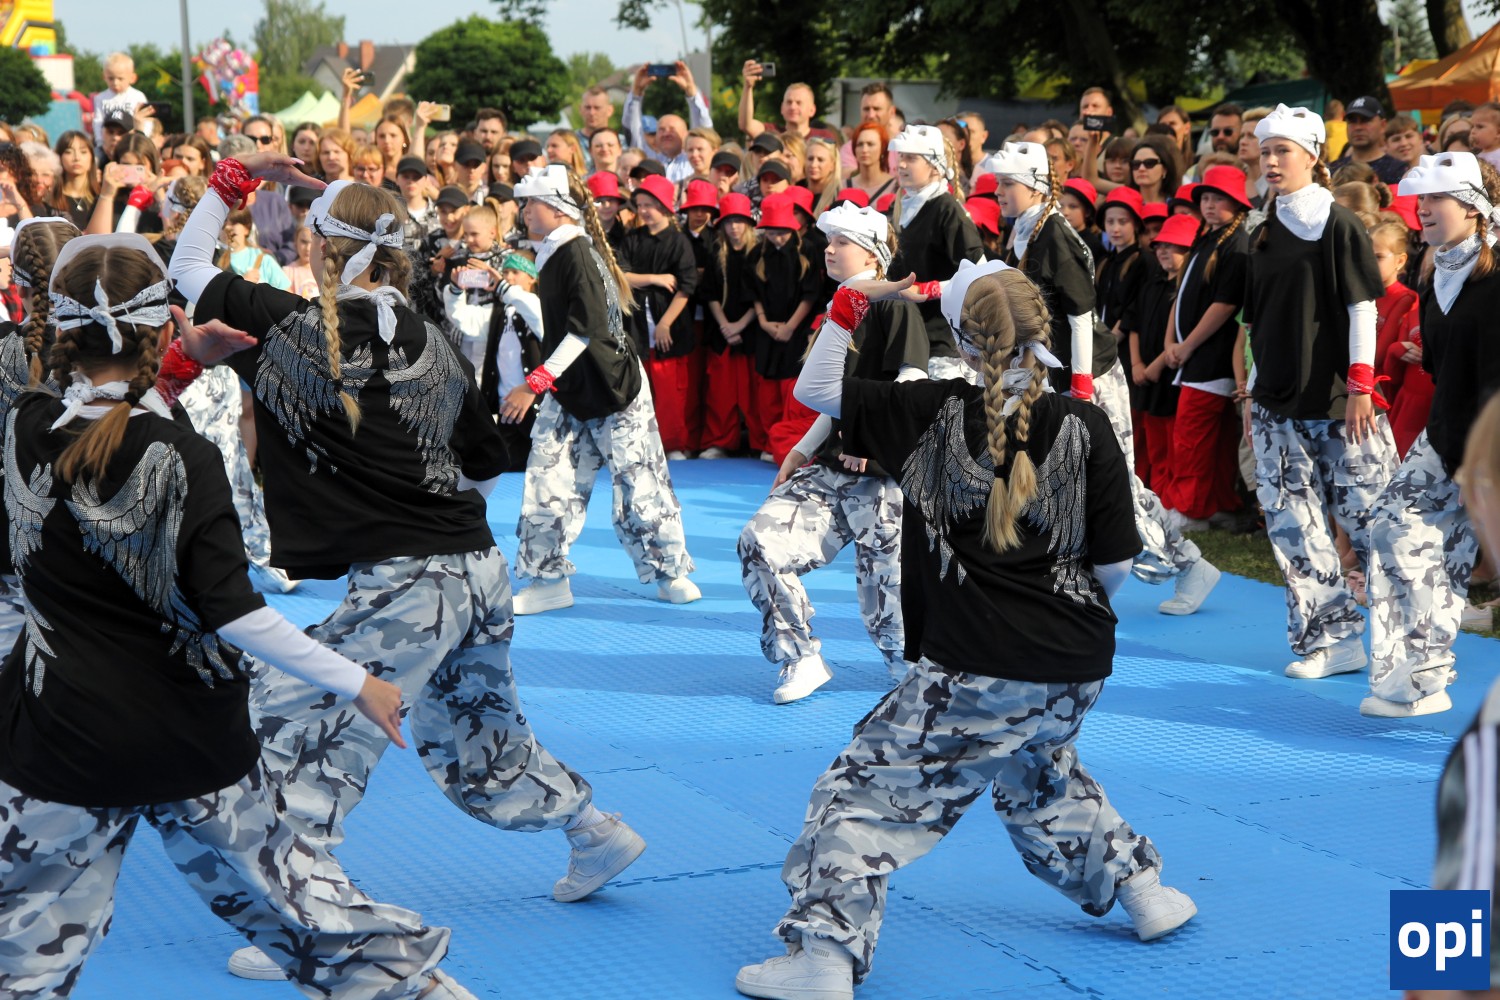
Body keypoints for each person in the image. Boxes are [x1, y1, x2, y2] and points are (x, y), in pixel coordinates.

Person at [169, 159, 648, 981]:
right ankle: (594, 831)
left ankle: (308, 917)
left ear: (323, 248)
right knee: (479, 737)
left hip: (412, 582)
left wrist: (234, 179)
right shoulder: (434, 340)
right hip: (475, 564)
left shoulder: (290, 327)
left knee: (295, 726)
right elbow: (482, 462)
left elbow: (186, 267)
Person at [0, 228, 486, 999]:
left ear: (58, 328)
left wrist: (176, 367)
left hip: (61, 733)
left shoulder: (24, 428)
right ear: (162, 324)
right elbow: (233, 612)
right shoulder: (180, 455)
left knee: (22, 953)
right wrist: (359, 681)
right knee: (304, 907)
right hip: (186, 730)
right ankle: (413, 989)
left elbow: (90, 437)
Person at [733, 263, 1196, 1000]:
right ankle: (1143, 890)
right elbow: (1115, 564)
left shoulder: (932, 410)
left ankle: (824, 955)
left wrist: (850, 304)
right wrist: (1057, 618)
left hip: (979, 665)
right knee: (1037, 769)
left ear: (961, 340)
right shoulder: (1086, 422)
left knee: (858, 797)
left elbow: (816, 390)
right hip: (1077, 662)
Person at [986, 140, 1221, 615]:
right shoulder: (1024, 230)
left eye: (1007, 184)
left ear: (1034, 186)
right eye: (997, 184)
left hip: (1090, 374)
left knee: (1118, 482)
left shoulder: (1055, 235)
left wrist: (1081, 388)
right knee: (1061, 479)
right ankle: (1059, 572)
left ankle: (1189, 564)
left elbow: (1080, 316)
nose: (998, 192)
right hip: (1055, 373)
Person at [739, 203, 926, 705]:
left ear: (872, 254)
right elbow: (838, 398)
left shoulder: (894, 305)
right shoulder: (842, 306)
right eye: (829, 240)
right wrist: (801, 449)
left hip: (885, 476)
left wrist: (869, 439)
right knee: (759, 543)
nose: (829, 249)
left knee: (887, 597)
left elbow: (911, 384)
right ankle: (800, 656)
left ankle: (914, 672)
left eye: (843, 241)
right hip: (832, 467)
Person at [1244, 105, 1397, 680]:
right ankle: (1332, 640)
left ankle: (1411, 642)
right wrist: (1255, 389)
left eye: (1282, 151)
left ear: (1312, 156)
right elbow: (1258, 320)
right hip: (1275, 402)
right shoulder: (1261, 227)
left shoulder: (1340, 224)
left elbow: (1363, 307)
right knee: (1294, 527)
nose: (1271, 161)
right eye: (1265, 151)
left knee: (1375, 523)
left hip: (1340, 402)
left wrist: (1360, 387)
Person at [506, 164, 701, 613]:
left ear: (558, 209)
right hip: (570, 389)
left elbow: (584, 333)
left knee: (640, 485)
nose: (525, 211)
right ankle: (547, 580)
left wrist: (534, 383)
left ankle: (670, 571)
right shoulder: (554, 251)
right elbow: (562, 329)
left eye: (532, 203)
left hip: (616, 390)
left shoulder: (575, 252)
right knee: (547, 482)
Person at [1363, 152, 1500, 717]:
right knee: (1390, 527)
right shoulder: (1435, 269)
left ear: (1473, 207)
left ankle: (1426, 670)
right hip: (1446, 433)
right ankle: (1424, 670)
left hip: (1487, 446)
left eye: (1436, 198)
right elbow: (1447, 366)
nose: (1422, 209)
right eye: (1420, 199)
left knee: (1419, 538)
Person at [1160, 165, 1251, 529]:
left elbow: (1225, 305)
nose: (1210, 205)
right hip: (1193, 355)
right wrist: (1171, 342)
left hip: (1211, 358)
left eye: (1219, 199)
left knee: (1193, 435)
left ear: (1238, 203)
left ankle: (1191, 508)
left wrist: (1188, 345)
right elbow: (1182, 293)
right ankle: (1215, 503)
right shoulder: (1207, 237)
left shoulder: (1237, 245)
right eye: (1206, 198)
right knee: (1210, 437)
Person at [886, 124, 983, 381]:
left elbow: (980, 274)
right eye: (901, 156)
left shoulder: (947, 209)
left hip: (942, 342)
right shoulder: (903, 206)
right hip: (909, 334)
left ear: (935, 166)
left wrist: (927, 289)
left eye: (911, 158)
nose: (902, 164)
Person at [619, 173, 700, 458]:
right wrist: (654, 278)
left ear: (664, 206)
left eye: (649, 205)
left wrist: (666, 323)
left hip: (670, 328)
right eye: (640, 205)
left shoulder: (679, 242)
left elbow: (687, 286)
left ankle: (674, 444)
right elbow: (620, 276)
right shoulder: (632, 239)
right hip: (637, 327)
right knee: (638, 390)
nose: (643, 210)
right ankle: (639, 444)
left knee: (670, 392)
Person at [1128, 213, 1195, 494]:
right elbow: (1134, 325)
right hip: (1145, 376)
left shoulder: (1188, 289)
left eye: (1172, 246)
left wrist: (1155, 365)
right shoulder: (1151, 285)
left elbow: (1181, 336)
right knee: (1153, 443)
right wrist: (1137, 363)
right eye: (1160, 245)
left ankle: (1169, 496)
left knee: (1172, 444)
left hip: (1170, 377)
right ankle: (1154, 493)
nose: (1163, 251)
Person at [700, 192, 761, 458]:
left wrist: (740, 326)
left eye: (739, 221)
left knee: (753, 393)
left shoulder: (759, 253)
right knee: (720, 392)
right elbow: (710, 294)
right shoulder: (716, 252)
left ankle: (761, 442)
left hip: (752, 332)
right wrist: (726, 326)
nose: (734, 227)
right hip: (722, 332)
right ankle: (720, 441)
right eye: (728, 222)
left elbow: (762, 297)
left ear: (748, 223)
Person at [623, 61, 712, 182]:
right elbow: (632, 129)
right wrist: (636, 93)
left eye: (672, 129)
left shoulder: (694, 160)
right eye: (661, 130)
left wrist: (691, 91)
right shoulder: (648, 160)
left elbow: (704, 133)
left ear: (686, 135)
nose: (666, 133)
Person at [1330, 96, 1410, 185]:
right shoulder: (1333, 170)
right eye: (1352, 121)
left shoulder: (1398, 170)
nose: (1358, 127)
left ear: (1383, 125)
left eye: (1365, 120)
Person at [91, 52, 147, 151]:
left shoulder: (138, 97)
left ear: (132, 78)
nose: (115, 83)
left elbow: (145, 121)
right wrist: (100, 142)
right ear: (104, 77)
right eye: (111, 78)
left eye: (120, 79)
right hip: (108, 144)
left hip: (131, 144)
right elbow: (98, 122)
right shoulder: (100, 98)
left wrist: (142, 140)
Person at [48, 129, 98, 228]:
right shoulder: (50, 198)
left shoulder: (101, 197)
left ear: (92, 157)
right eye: (68, 152)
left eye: (83, 152)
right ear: (59, 157)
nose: (76, 158)